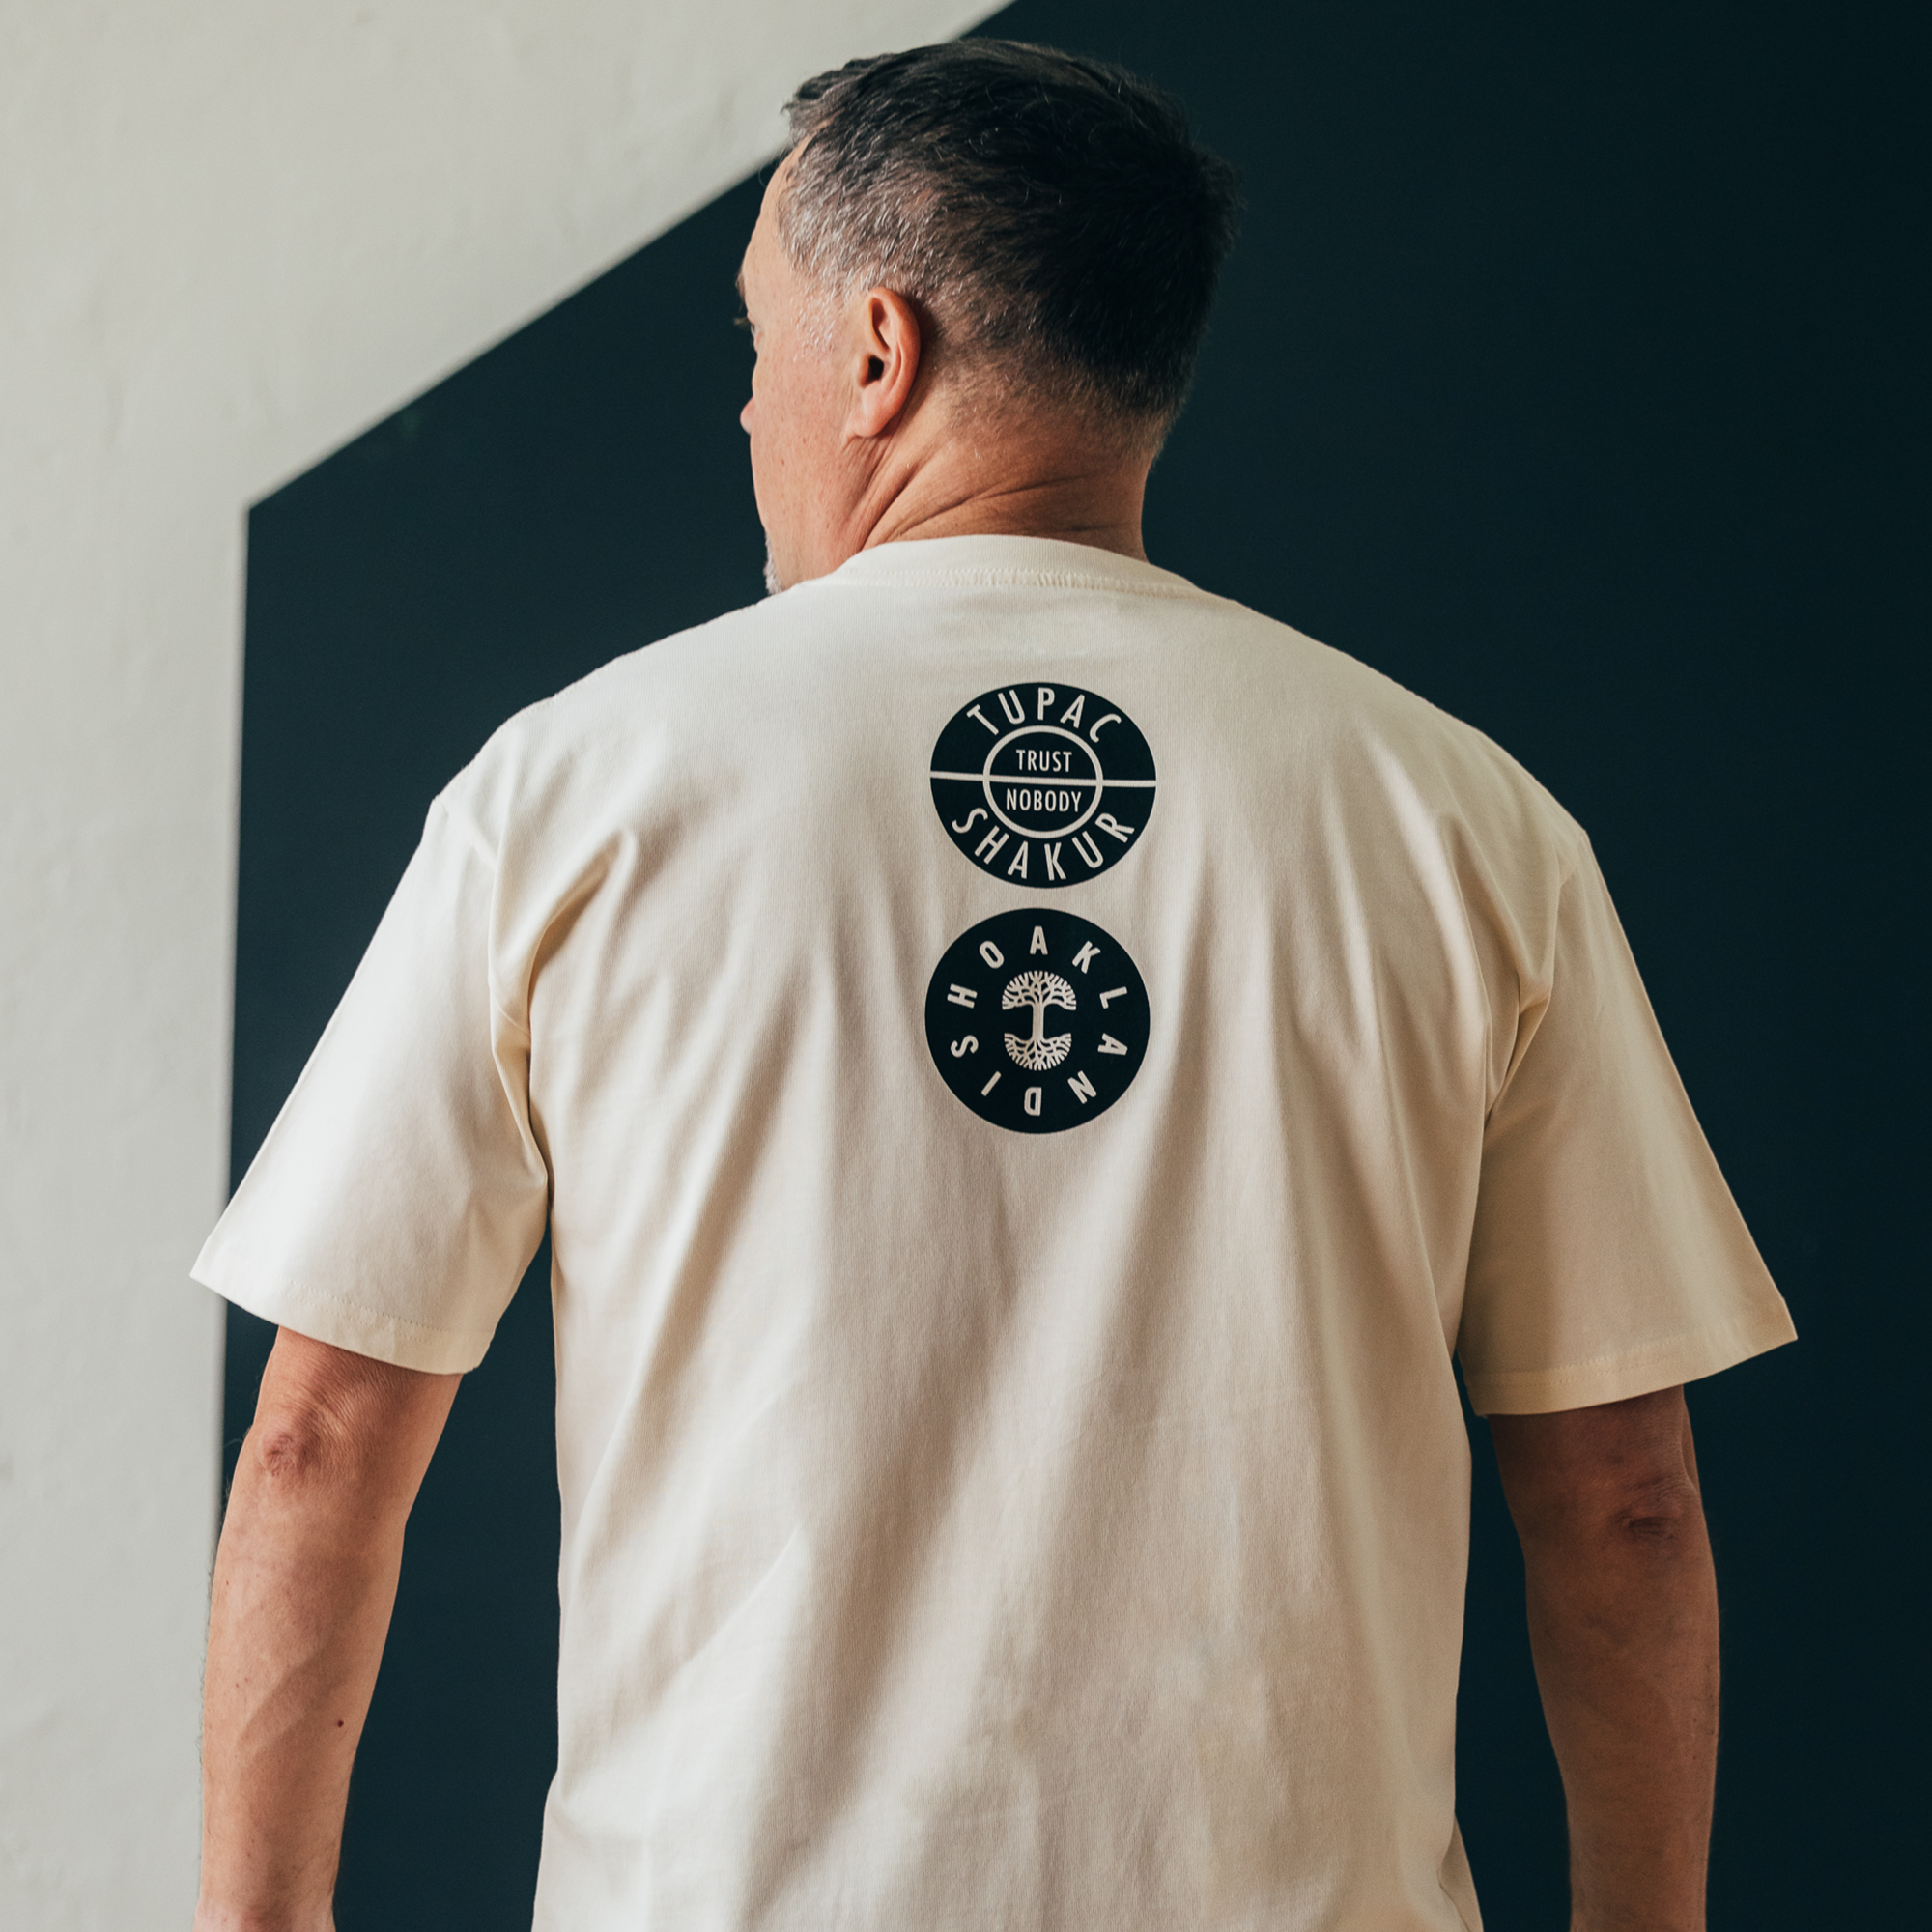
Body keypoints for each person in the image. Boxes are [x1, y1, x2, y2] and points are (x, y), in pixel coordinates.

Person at [191, 40, 1794, 1932]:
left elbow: (318, 1439)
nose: (742, 409)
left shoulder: (577, 790)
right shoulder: (1462, 821)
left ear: (879, 351)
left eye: (757, 341)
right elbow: (1622, 1497)